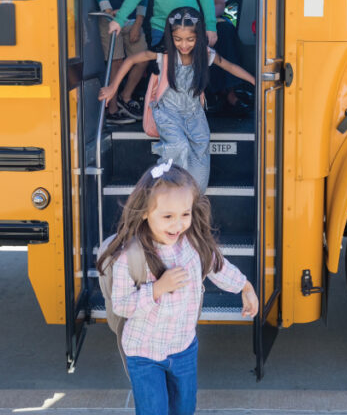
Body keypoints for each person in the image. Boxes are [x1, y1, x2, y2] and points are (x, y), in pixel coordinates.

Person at [97, 161, 258, 415]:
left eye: (185, 214)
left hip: (183, 348)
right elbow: (122, 304)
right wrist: (157, 288)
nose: (178, 224)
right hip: (144, 354)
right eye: (168, 216)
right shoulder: (130, 256)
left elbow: (217, 266)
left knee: (184, 409)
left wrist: (245, 286)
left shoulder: (192, 244)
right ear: (145, 213)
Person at [98, 7, 255, 191]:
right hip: (168, 112)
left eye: (190, 39)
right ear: (170, 37)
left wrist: (254, 80)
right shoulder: (163, 55)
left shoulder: (204, 54)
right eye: (178, 39)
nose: (184, 45)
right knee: (178, 146)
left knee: (200, 154)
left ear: (199, 37)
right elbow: (131, 60)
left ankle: (194, 198)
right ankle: (166, 185)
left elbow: (228, 66)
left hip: (194, 114)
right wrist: (112, 87)